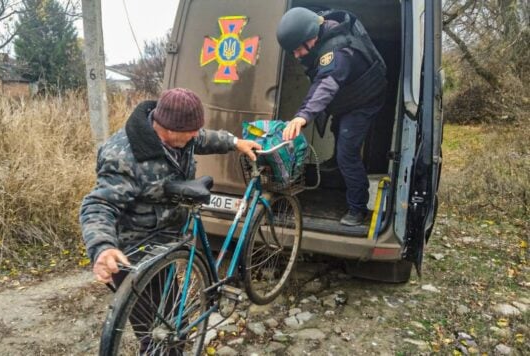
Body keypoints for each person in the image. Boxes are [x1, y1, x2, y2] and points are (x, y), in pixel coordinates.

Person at [80, 87, 261, 285]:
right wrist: (103, 247)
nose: (195, 135)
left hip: (167, 241)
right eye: (190, 132)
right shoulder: (123, 156)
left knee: (169, 301)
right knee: (160, 314)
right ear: (167, 128)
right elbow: (99, 204)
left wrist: (235, 143)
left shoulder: (182, 135)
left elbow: (203, 138)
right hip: (137, 250)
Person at [276, 7, 388, 226]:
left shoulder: (337, 51)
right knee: (339, 129)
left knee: (348, 151)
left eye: (298, 49)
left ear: (310, 37)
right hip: (348, 95)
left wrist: (302, 116)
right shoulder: (319, 30)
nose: (297, 55)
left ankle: (358, 208)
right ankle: (338, 163)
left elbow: (326, 85)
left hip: (364, 98)